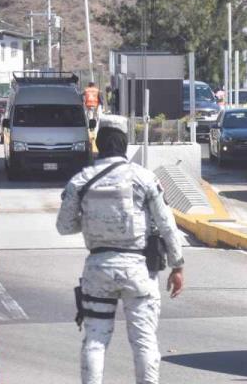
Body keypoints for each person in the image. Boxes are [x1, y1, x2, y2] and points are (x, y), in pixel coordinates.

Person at [56, 122, 185, 384]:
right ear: (125, 146)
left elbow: (64, 226)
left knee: (95, 340)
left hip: (98, 270)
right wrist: (177, 265)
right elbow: (166, 223)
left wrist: (92, 220)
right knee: (144, 341)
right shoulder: (144, 177)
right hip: (138, 270)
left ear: (98, 145)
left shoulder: (81, 180)